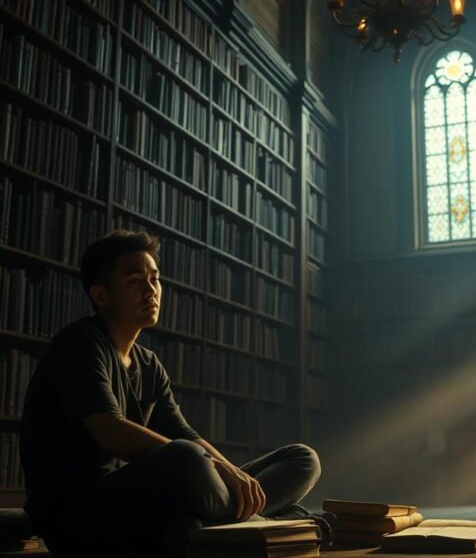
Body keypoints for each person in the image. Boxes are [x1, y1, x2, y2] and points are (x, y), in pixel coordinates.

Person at [19, 230, 322, 557]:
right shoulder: (80, 343)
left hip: (140, 505)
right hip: (80, 515)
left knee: (303, 459)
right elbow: (112, 433)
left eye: (155, 279)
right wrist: (215, 468)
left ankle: (225, 524)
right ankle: (263, 522)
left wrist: (230, 471)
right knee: (186, 459)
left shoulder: (148, 363)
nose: (151, 291)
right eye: (135, 281)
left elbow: (183, 432)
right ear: (101, 296)